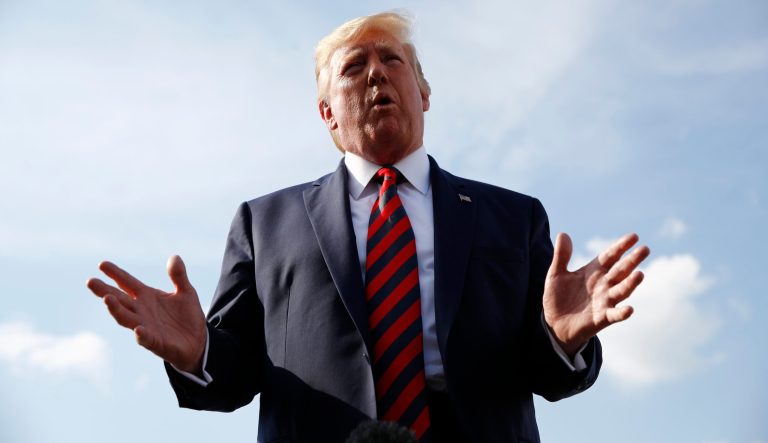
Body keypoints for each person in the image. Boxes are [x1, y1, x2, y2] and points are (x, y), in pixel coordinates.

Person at [87, 11, 650, 443]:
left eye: (392, 60)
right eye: (354, 67)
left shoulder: (513, 216)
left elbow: (548, 375)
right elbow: (232, 376)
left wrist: (561, 338)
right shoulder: (264, 223)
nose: (376, 72)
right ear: (328, 114)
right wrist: (198, 352)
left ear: (423, 94)